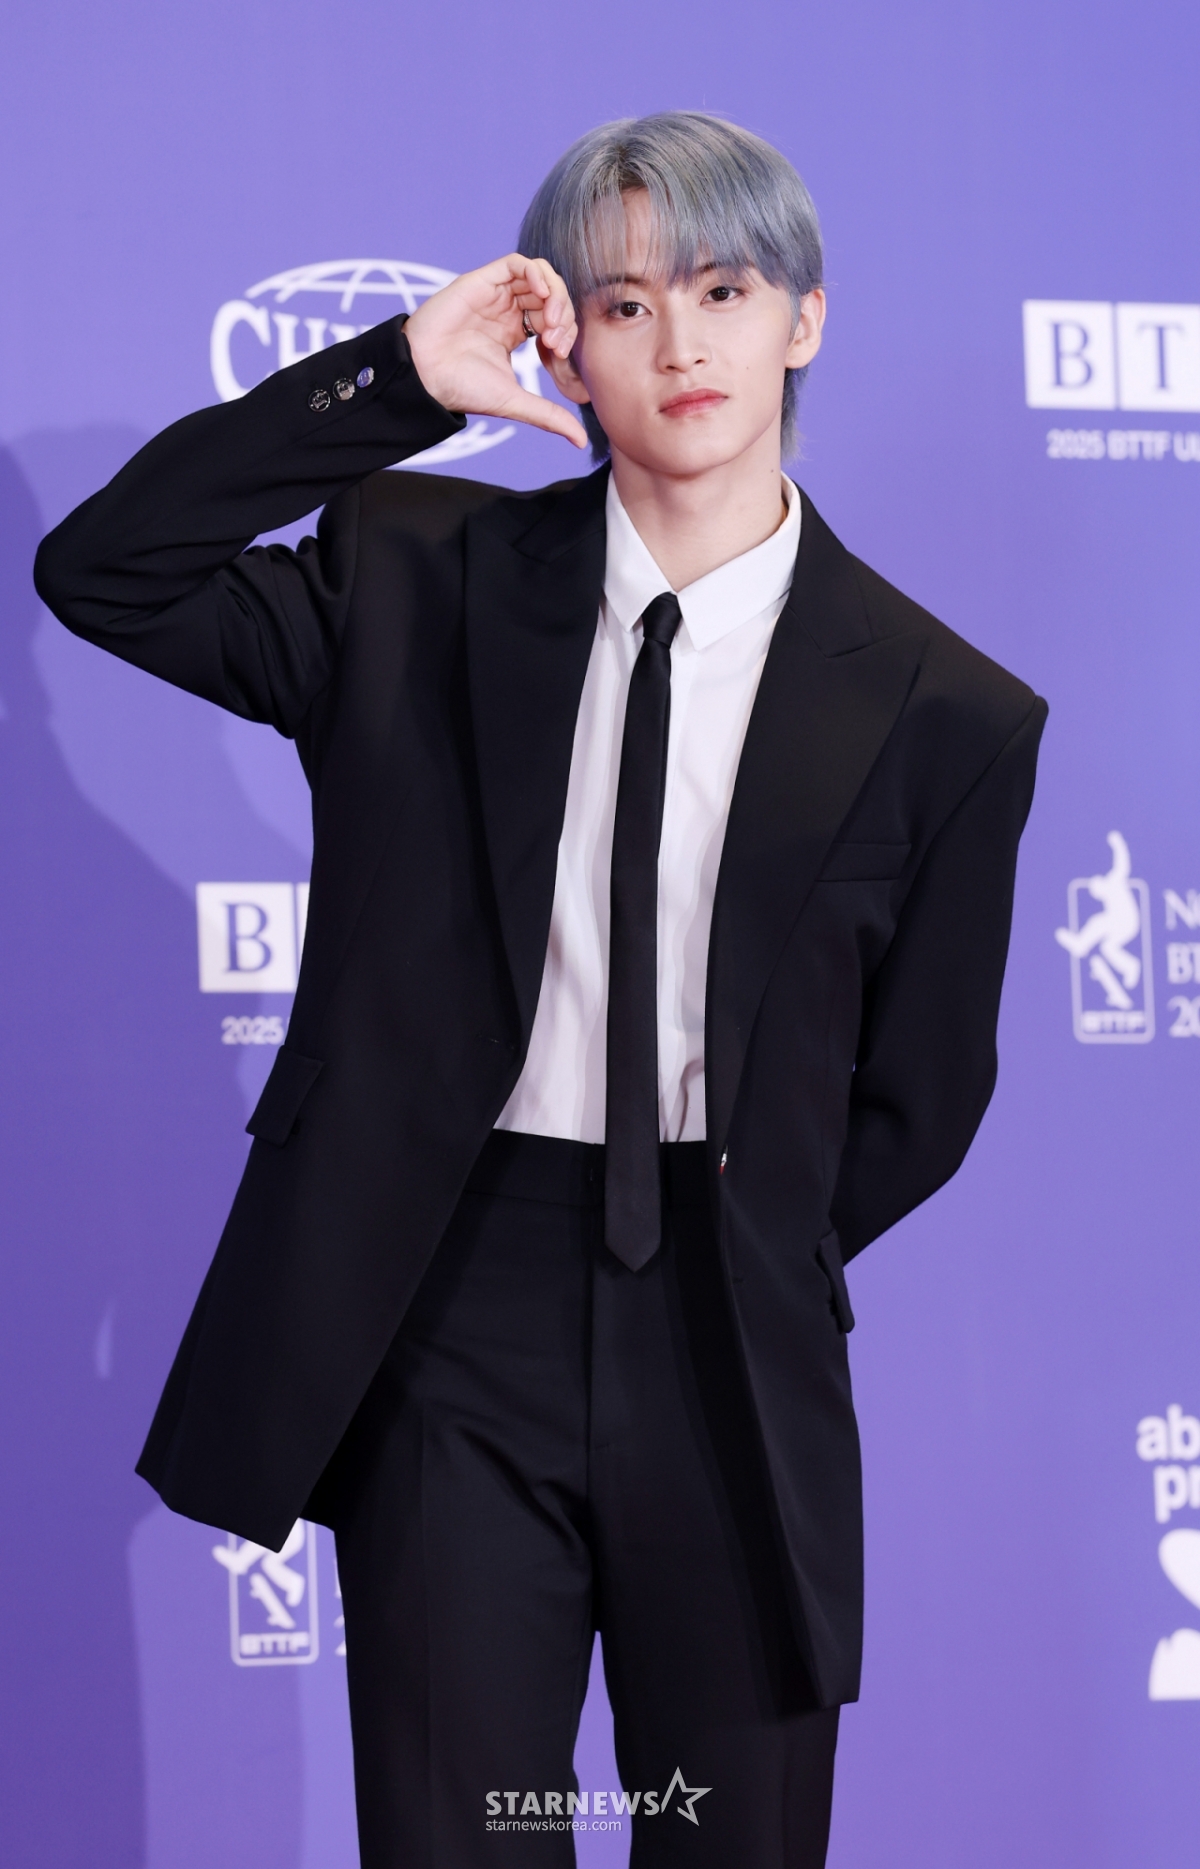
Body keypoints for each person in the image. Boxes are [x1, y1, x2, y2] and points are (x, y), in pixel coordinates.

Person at [35, 111, 1047, 1868]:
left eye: (724, 290)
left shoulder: (951, 713)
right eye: (624, 300)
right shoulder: (412, 578)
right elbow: (103, 568)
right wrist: (393, 385)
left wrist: (757, 1232)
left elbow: (921, 1096)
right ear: (557, 332)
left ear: (801, 319)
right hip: (450, 1321)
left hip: (736, 1342)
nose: (679, 345)